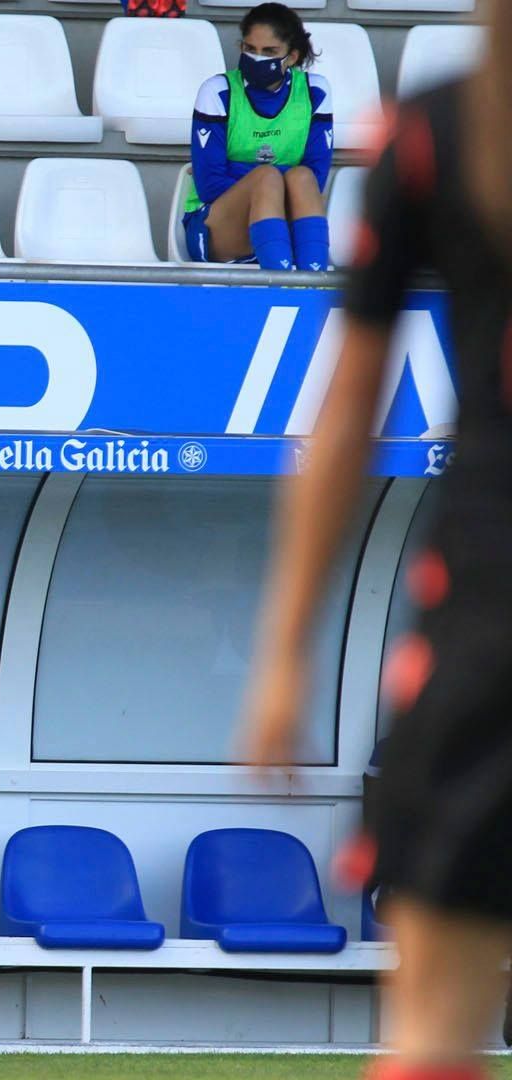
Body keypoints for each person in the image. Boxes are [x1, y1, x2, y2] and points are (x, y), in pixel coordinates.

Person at [237, 4, 512, 1074]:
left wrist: (284, 652)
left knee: (434, 1025)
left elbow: (351, 404)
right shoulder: (436, 134)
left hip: (487, 595)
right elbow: (348, 406)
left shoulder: (437, 127)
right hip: (489, 592)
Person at [182, 2, 334, 271]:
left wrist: (248, 173)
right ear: (241, 47)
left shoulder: (315, 91)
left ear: (293, 56)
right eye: (250, 49)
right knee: (268, 177)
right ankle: (280, 283)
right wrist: (268, 179)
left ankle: (313, 283)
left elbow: (316, 179)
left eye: (270, 51)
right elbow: (209, 186)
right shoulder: (218, 91)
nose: (257, 58)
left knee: (301, 178)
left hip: (282, 221)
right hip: (217, 225)